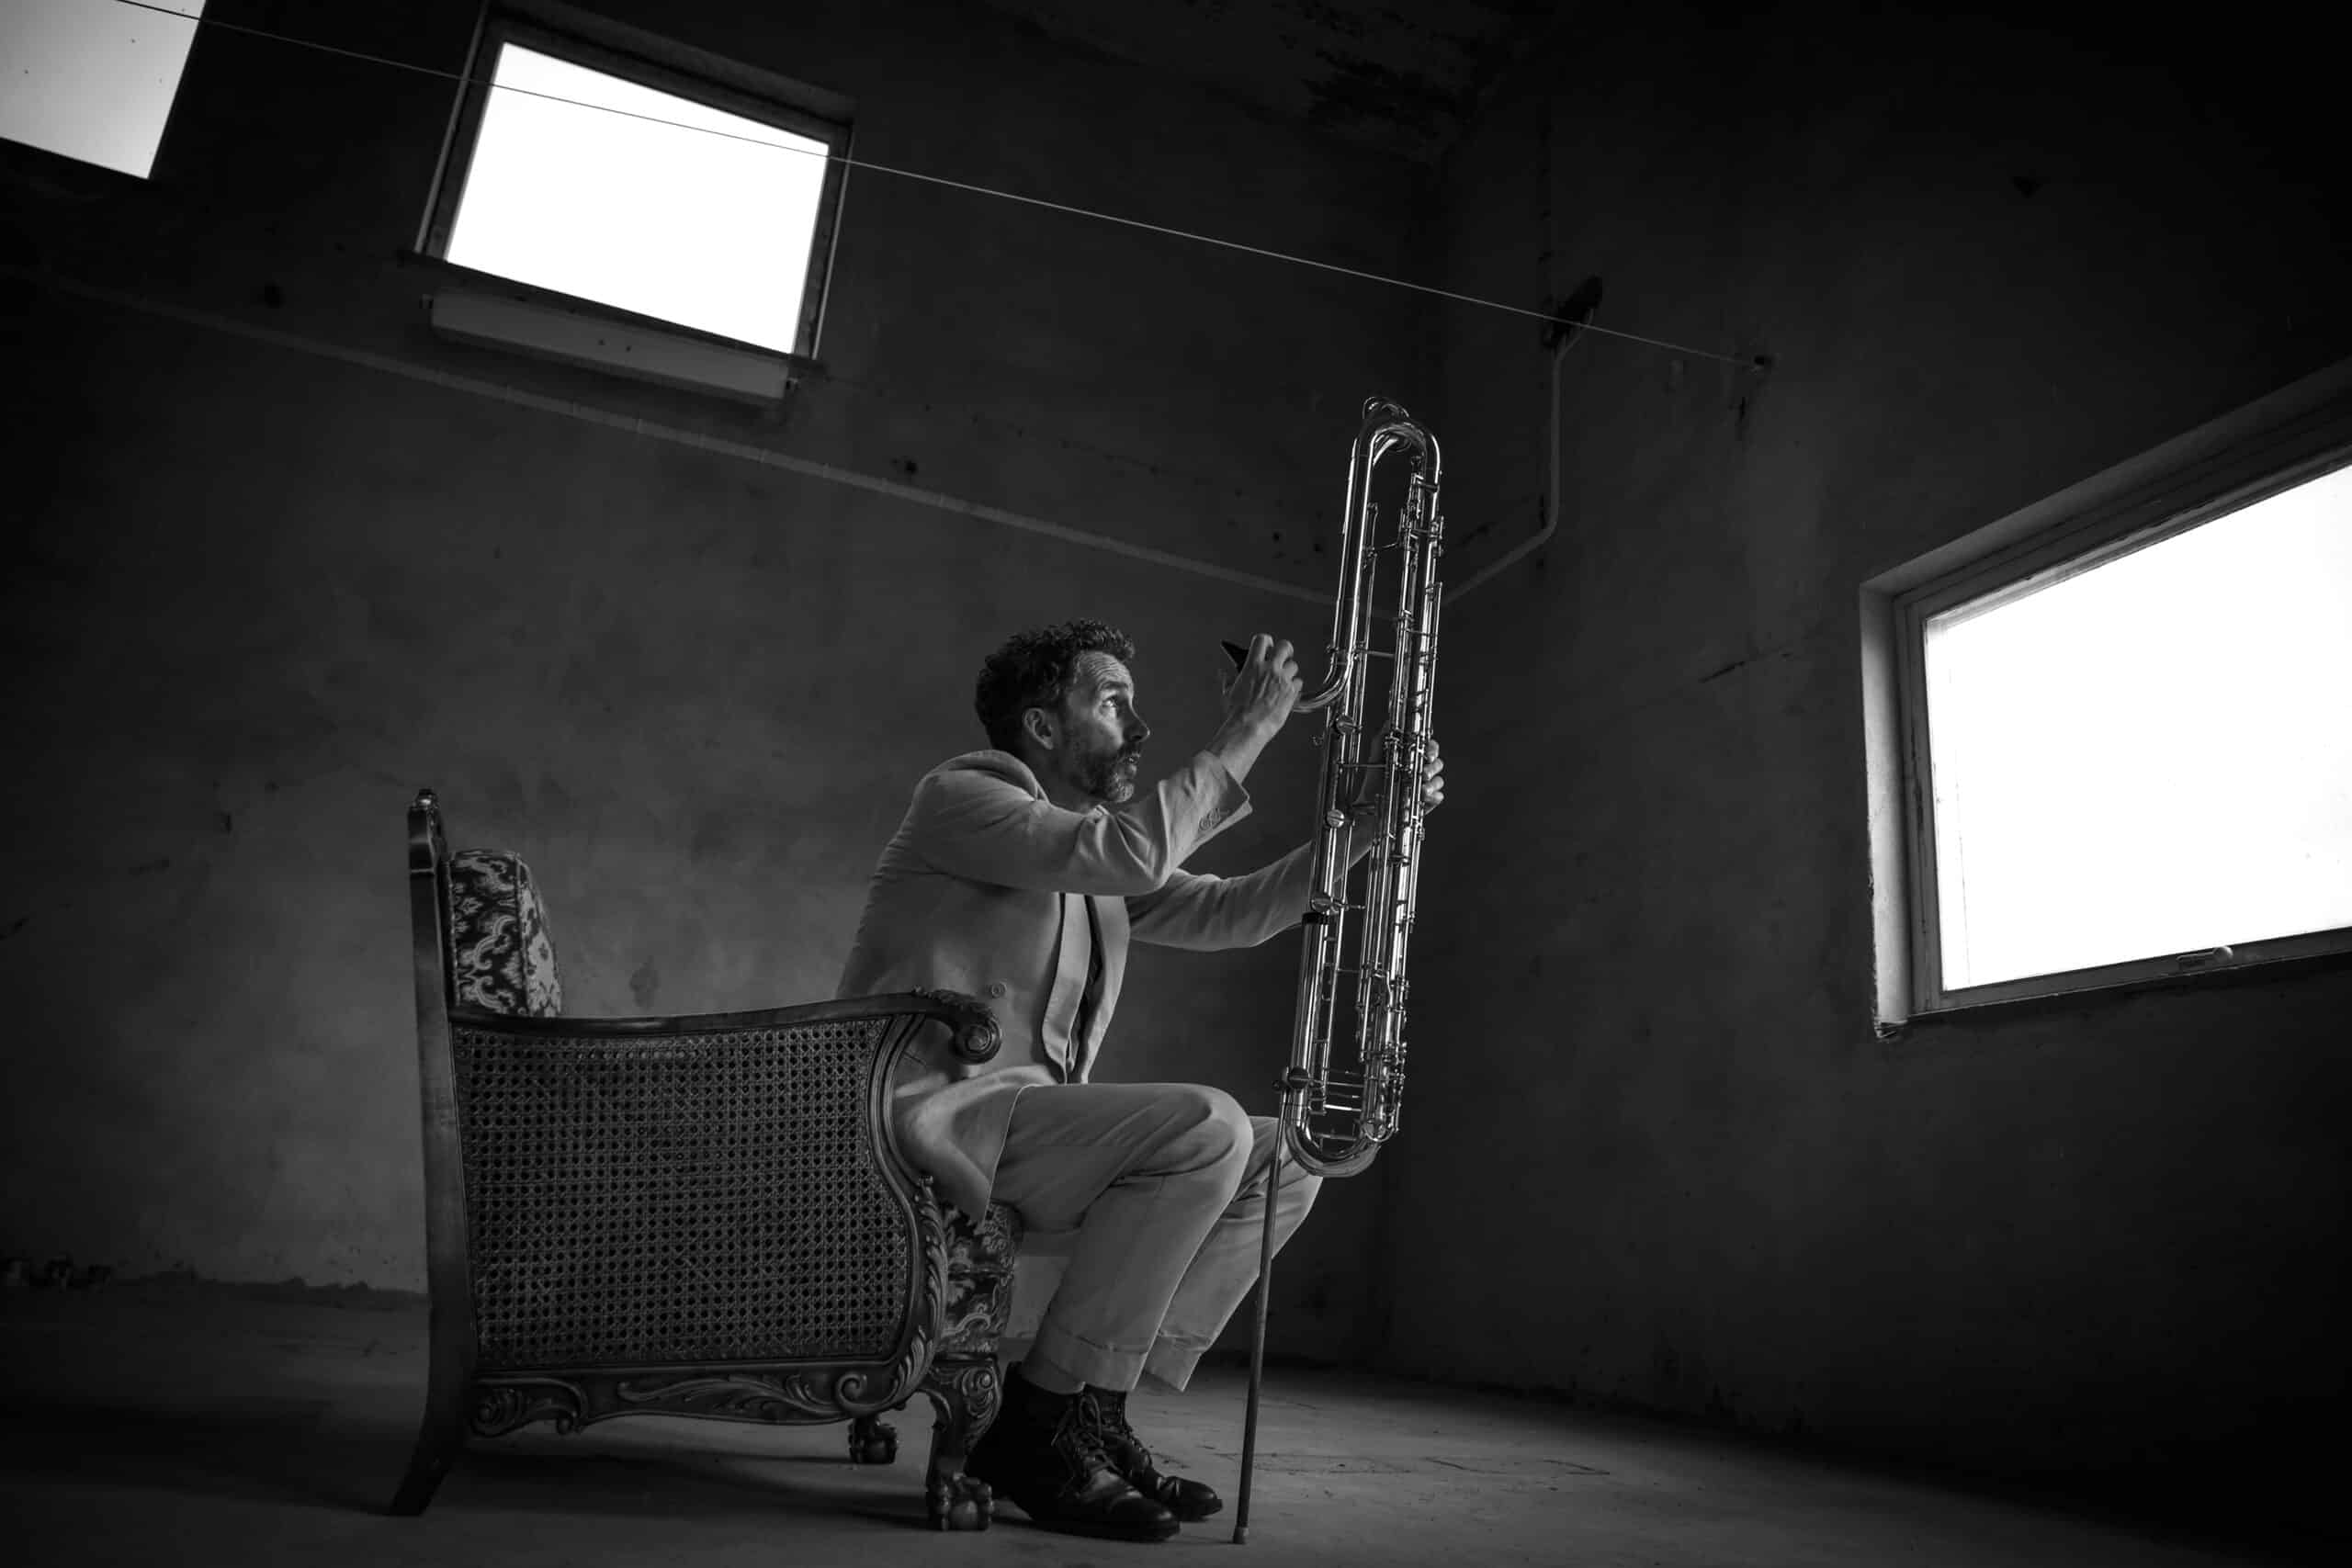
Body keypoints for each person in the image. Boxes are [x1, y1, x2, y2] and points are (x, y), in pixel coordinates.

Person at [835, 618, 1445, 1542]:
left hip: (1022, 1129)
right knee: (1204, 1123)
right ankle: (1032, 1428)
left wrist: (1362, 828)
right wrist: (1250, 727)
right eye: (1112, 701)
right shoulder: (963, 798)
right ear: (1041, 727)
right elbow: (1129, 856)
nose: (1139, 725)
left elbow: (1233, 912)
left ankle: (1088, 1405)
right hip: (932, 1122)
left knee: (1292, 1154)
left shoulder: (1089, 849)